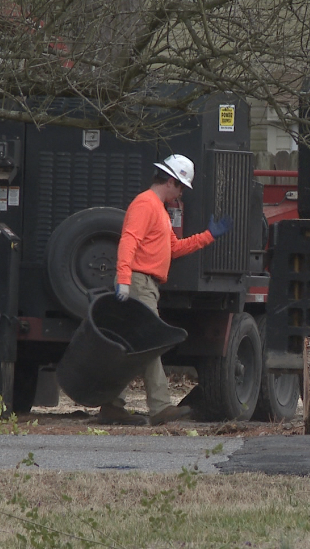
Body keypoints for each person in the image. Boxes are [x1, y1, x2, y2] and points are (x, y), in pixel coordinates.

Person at [99, 153, 233, 426]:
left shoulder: (158, 208)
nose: (181, 193)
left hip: (144, 283)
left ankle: (112, 406)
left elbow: (173, 248)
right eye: (181, 187)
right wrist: (124, 278)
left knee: (131, 345)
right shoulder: (145, 204)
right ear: (171, 181)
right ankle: (159, 407)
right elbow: (128, 241)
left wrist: (208, 236)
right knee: (151, 341)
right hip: (138, 282)